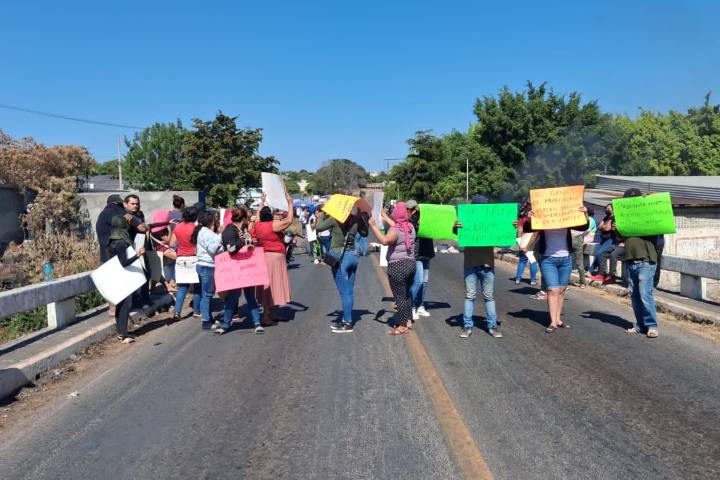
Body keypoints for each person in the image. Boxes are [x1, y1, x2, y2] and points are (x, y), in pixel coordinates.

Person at [529, 204, 589, 333]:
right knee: (552, 289)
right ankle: (552, 322)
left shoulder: (567, 218)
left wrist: (585, 213)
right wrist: (530, 218)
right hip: (548, 259)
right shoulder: (542, 219)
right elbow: (529, 228)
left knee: (561, 290)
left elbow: (583, 226)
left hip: (566, 259)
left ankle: (558, 320)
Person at [454, 195, 504, 339]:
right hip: (471, 264)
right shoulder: (465, 220)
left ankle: (492, 325)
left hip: (487, 264)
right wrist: (456, 226)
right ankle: (467, 325)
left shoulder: (492, 221)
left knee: (489, 296)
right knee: (470, 296)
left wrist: (511, 225)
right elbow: (456, 231)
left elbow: (504, 236)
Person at [316, 206, 368, 333]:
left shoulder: (334, 219)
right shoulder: (355, 220)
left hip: (340, 257)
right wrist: (360, 218)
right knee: (349, 291)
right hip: (353, 256)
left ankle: (347, 323)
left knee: (344, 292)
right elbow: (365, 233)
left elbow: (319, 228)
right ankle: (346, 319)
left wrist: (321, 215)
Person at [369, 202, 416, 335]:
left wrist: (373, 227)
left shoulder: (395, 230)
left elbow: (385, 241)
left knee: (399, 297)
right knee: (406, 295)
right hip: (411, 264)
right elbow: (397, 226)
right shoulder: (410, 227)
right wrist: (384, 216)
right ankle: (408, 321)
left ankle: (402, 326)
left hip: (397, 266)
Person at [621, 188, 660, 338]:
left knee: (645, 293)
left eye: (634, 200)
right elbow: (620, 237)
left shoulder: (649, 215)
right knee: (635, 296)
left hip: (646, 260)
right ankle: (640, 325)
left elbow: (661, 205)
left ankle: (651, 326)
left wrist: (651, 199)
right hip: (630, 261)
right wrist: (616, 228)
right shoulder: (624, 217)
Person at [252, 192, 294, 326]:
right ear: (270, 215)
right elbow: (289, 220)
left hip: (264, 256)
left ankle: (272, 313)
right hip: (274, 258)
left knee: (269, 285)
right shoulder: (273, 225)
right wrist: (290, 203)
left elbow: (257, 216)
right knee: (271, 287)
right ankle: (266, 316)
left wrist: (262, 202)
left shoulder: (257, 225)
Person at [220, 207, 263, 334]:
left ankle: (257, 323)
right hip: (235, 269)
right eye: (246, 218)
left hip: (246, 266)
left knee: (250, 296)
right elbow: (231, 249)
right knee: (233, 297)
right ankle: (225, 324)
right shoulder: (229, 231)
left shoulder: (243, 229)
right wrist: (241, 241)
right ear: (243, 218)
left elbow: (248, 243)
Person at [107, 215, 145, 343]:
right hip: (121, 276)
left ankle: (121, 332)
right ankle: (123, 335)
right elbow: (123, 262)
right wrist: (138, 255)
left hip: (115, 275)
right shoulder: (121, 242)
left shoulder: (112, 239)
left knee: (120, 304)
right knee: (126, 304)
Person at [192, 210, 223, 330]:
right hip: (207, 266)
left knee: (206, 294)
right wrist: (220, 236)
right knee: (207, 295)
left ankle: (208, 317)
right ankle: (205, 321)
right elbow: (212, 249)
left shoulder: (204, 231)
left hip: (204, 265)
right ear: (211, 221)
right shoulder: (205, 233)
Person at [169, 208, 201, 321]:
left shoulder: (178, 227)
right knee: (197, 286)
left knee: (182, 287)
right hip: (194, 258)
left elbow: (171, 243)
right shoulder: (196, 228)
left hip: (181, 259)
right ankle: (196, 311)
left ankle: (177, 313)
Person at [514, 200, 539, 286]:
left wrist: (519, 241)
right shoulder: (535, 216)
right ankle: (532, 280)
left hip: (524, 238)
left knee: (522, 260)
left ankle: (518, 279)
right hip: (533, 240)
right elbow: (536, 233)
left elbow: (520, 229)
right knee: (533, 260)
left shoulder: (523, 216)